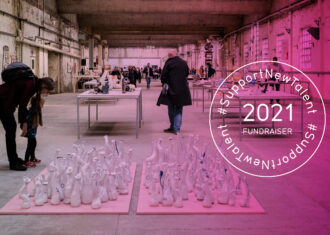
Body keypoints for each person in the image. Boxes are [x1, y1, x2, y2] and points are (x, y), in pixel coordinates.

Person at [0, 62, 55, 171]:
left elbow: (37, 101)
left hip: (5, 102)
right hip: (2, 101)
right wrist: (24, 123)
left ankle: (14, 159)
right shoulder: (31, 85)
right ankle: (13, 162)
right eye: (47, 90)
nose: (47, 93)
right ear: (43, 86)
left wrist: (42, 98)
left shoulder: (34, 82)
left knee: (11, 129)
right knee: (11, 129)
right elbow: (22, 105)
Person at [157, 51, 192, 134]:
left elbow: (163, 76)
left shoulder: (169, 62)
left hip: (171, 89)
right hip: (182, 89)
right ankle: (176, 129)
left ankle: (173, 127)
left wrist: (164, 83)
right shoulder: (184, 63)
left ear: (170, 55)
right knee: (179, 109)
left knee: (171, 108)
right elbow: (187, 73)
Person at [23, 96, 45, 167]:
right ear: (37, 104)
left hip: (32, 132)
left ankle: (32, 158)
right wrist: (28, 129)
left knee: (33, 143)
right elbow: (27, 120)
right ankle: (26, 161)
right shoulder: (32, 111)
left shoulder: (36, 111)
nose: (43, 106)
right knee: (30, 145)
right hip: (30, 131)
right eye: (42, 104)